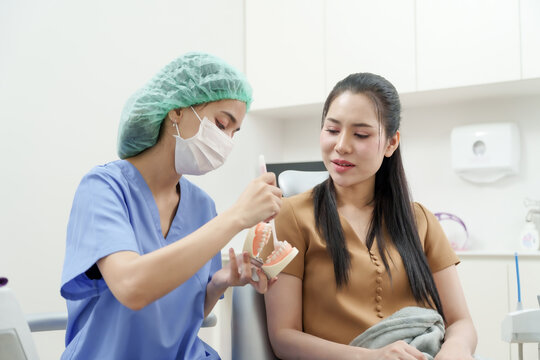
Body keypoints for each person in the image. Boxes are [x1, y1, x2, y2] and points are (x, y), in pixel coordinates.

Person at [60, 52, 282, 360]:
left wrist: (218, 283)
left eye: (234, 133)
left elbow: (181, 315)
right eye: (221, 123)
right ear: (176, 111)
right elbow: (132, 287)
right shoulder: (104, 188)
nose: (227, 141)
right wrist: (236, 217)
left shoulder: (202, 206)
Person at [264, 73, 477, 359]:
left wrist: (452, 353)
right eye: (331, 130)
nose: (342, 145)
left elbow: (460, 322)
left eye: (361, 134)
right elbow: (283, 338)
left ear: (391, 143)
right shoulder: (288, 217)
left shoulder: (420, 221)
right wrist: (372, 357)